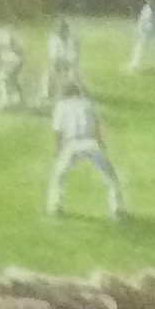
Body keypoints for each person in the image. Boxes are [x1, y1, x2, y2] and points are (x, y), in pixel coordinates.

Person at [46, 80, 124, 220]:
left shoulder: (61, 106)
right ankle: (116, 209)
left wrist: (57, 149)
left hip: (71, 144)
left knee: (58, 176)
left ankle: (55, 207)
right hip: (90, 143)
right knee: (111, 177)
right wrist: (101, 143)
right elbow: (95, 126)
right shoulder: (87, 104)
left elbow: (58, 130)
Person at [43, 16, 81, 102]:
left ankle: (78, 94)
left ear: (66, 29)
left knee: (74, 75)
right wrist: (55, 65)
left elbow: (74, 55)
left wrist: (69, 68)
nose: (61, 31)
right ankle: (47, 94)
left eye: (63, 29)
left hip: (69, 62)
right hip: (57, 62)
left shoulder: (72, 39)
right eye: (59, 29)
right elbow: (52, 55)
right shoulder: (53, 39)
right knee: (48, 74)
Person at [0, 25, 26, 112]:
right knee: (12, 79)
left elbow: (12, 46)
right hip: (14, 61)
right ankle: (18, 100)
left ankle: (6, 101)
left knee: (3, 78)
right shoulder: (0, 35)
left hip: (14, 60)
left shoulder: (3, 34)